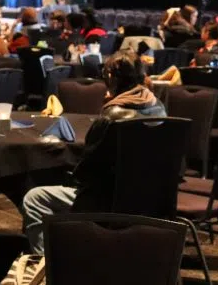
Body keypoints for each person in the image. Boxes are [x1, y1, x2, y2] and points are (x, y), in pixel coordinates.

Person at [21, 50, 165, 253]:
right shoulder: (158, 107)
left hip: (107, 204)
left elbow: (87, 173)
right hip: (149, 200)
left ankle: (48, 269)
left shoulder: (111, 116)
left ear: (111, 79)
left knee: (34, 198)